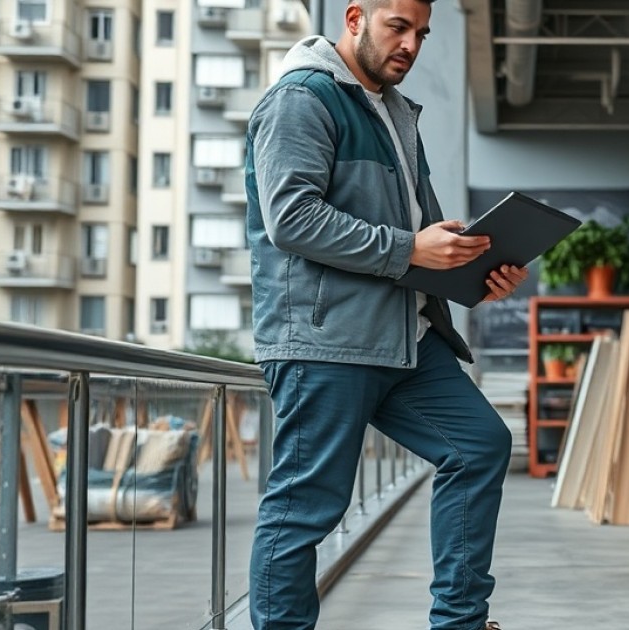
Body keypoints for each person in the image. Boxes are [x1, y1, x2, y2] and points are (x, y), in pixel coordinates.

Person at [243, 0, 525, 627]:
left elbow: (422, 237)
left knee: (478, 447)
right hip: (326, 341)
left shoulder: (397, 114)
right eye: (398, 27)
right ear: (353, 19)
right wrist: (409, 247)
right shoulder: (302, 99)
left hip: (405, 337)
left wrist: (478, 267)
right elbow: (290, 219)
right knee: (305, 509)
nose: (411, 45)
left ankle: (459, 623)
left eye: (421, 33)